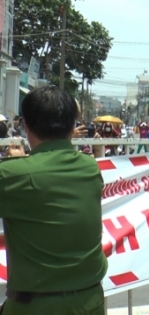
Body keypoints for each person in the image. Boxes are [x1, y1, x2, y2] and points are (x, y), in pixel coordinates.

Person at [0, 86, 107, 314]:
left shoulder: (11, 175)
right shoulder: (89, 168)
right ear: (72, 127)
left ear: (25, 126)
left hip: (34, 306)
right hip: (90, 302)